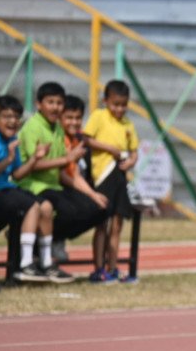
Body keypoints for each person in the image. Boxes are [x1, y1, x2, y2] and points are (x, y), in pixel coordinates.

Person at [14, 82, 81, 284]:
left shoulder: (57, 128)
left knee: (87, 209)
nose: (55, 107)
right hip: (31, 184)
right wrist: (67, 159)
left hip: (52, 186)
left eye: (59, 103)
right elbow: (33, 165)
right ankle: (33, 260)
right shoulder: (33, 127)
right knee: (50, 207)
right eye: (50, 102)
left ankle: (45, 258)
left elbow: (61, 166)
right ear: (39, 104)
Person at [0, 95, 44, 282]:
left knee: (33, 206)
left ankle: (16, 269)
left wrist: (34, 159)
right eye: (7, 116)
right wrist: (7, 159)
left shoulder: (13, 140)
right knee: (31, 206)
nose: (13, 121)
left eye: (16, 117)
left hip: (7, 188)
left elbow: (17, 174)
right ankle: (26, 263)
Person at [83, 80, 139, 282]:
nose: (119, 109)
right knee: (102, 224)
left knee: (117, 225)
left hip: (120, 177)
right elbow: (86, 139)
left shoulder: (128, 124)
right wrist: (109, 149)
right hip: (102, 176)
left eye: (123, 105)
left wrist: (131, 161)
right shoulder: (99, 116)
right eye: (115, 104)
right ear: (106, 101)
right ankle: (99, 268)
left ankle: (113, 267)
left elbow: (134, 151)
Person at [47, 94, 110, 269]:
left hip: (71, 187)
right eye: (69, 118)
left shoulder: (79, 140)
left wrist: (94, 194)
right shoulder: (57, 137)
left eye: (78, 118)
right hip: (54, 187)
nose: (74, 122)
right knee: (74, 209)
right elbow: (62, 174)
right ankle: (49, 238)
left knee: (102, 209)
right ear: (60, 118)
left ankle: (58, 237)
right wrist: (91, 194)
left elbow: (76, 173)